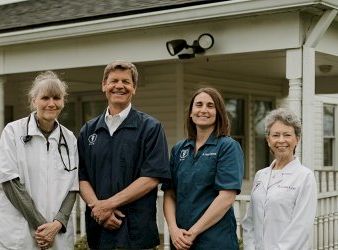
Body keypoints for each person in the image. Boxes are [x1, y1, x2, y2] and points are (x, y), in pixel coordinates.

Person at [78, 60, 170, 249]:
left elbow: (151, 178)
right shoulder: (88, 130)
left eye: (126, 82)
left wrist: (108, 205)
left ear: (134, 88)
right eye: (114, 81)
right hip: (100, 232)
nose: (119, 86)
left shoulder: (150, 128)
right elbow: (81, 176)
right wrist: (99, 210)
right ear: (104, 85)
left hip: (136, 233)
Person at [0, 71, 78, 250]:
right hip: (19, 236)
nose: (51, 103)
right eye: (45, 98)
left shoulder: (70, 139)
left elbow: (73, 187)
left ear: (63, 101)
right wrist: (42, 228)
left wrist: (57, 224)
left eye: (57, 98)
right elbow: (10, 183)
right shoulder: (13, 132)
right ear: (33, 100)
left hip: (57, 236)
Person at [162, 87, 244, 250]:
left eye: (210, 106)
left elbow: (226, 197)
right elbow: (169, 193)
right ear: (191, 113)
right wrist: (173, 229)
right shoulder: (179, 149)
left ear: (218, 112)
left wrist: (193, 232)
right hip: (180, 241)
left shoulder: (227, 147)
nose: (203, 110)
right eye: (198, 105)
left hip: (215, 241)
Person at [242, 108, 317, 250]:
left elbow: (300, 228)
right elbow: (250, 222)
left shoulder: (305, 177)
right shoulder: (260, 176)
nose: (281, 140)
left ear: (297, 139)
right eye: (275, 135)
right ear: (268, 140)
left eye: (287, 135)